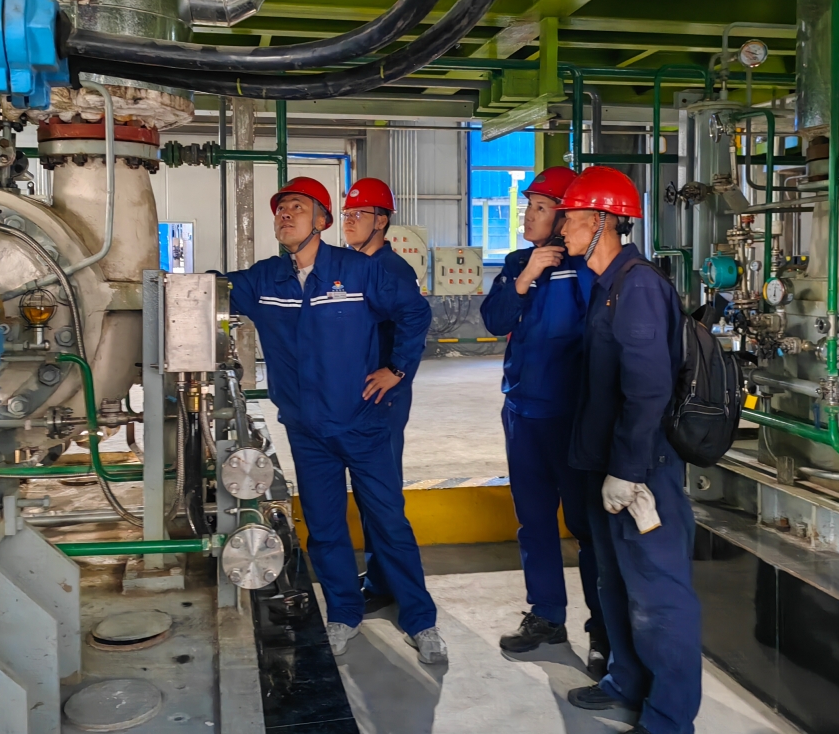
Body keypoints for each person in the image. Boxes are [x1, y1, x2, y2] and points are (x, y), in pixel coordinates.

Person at [225, 176, 447, 665]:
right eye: (281, 208)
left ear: (322, 221)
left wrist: (398, 369)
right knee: (324, 527)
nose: (285, 214)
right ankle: (344, 612)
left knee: (388, 522)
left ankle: (420, 620)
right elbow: (211, 289)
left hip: (363, 423)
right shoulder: (265, 280)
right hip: (307, 431)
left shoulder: (359, 271)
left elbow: (414, 313)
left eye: (297, 206)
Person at [555, 167, 701, 734]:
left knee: (657, 597)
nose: (562, 229)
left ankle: (669, 720)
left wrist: (628, 469)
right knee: (614, 584)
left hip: (641, 472)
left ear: (603, 221)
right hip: (604, 466)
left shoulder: (637, 286)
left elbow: (648, 388)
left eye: (570, 219)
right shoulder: (606, 283)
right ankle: (627, 683)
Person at [479, 166, 608, 675]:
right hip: (522, 412)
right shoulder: (517, 262)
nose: (526, 216)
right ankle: (547, 614)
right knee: (533, 521)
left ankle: (604, 630)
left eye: (539, 207)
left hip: (570, 416)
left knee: (587, 526)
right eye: (527, 206)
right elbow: (494, 321)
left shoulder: (586, 268)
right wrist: (526, 275)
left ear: (565, 216)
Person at [341, 177, 420, 610]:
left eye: (360, 214)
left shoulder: (392, 270)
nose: (350, 221)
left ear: (382, 221)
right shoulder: (352, 267)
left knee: (382, 490)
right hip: (360, 396)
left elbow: (415, 321)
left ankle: (388, 585)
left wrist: (397, 369)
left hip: (384, 398)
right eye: (347, 214)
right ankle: (379, 575)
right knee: (370, 488)